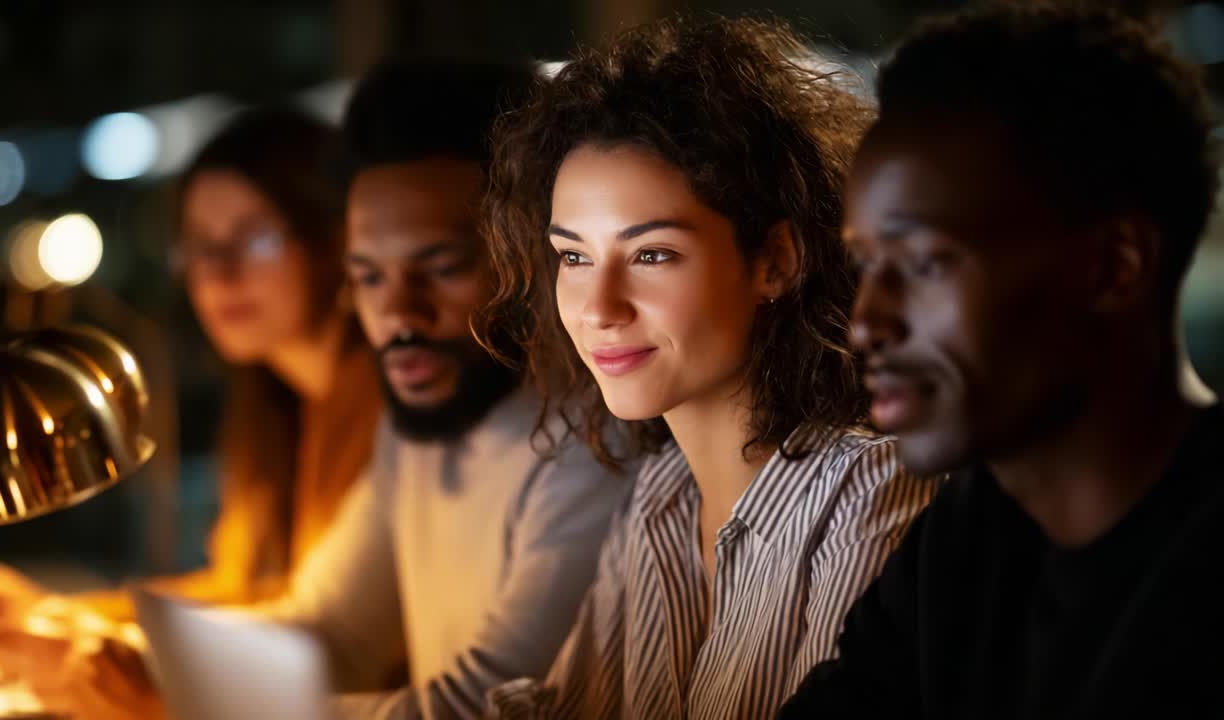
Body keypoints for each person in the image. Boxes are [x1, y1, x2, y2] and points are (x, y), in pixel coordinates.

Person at [24, 59, 630, 720]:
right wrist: (118, 656)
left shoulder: (593, 442)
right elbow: (330, 630)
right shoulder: (420, 422)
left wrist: (178, 704)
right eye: (369, 276)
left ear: (534, 258)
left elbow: (485, 706)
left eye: (445, 267)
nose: (399, 315)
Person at [479, 16, 935, 718]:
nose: (600, 308)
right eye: (574, 256)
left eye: (652, 254)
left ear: (776, 261)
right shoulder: (661, 495)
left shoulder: (867, 494)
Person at [778, 4, 1221, 718]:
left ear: (1114, 267)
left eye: (924, 264)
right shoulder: (967, 537)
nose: (866, 324)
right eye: (865, 265)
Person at [0, 107, 380, 619]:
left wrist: (80, 641)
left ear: (333, 241)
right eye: (200, 245)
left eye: (255, 237)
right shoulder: (271, 408)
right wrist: (54, 614)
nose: (220, 273)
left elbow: (307, 620)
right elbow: (239, 586)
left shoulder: (387, 415)